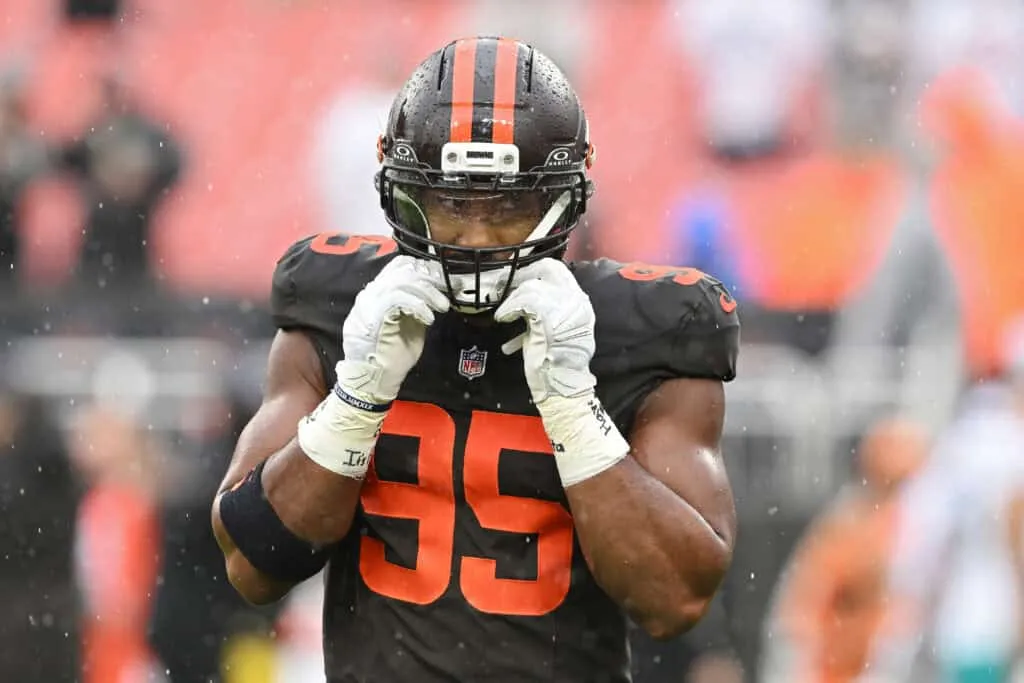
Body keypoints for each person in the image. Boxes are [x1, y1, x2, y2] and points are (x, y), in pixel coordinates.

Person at [211, 36, 740, 682]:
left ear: (562, 198)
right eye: (454, 203)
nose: (478, 237)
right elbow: (252, 562)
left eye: (509, 206)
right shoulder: (340, 310)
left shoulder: (645, 333)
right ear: (401, 191)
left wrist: (576, 414)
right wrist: (355, 401)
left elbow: (675, 598)